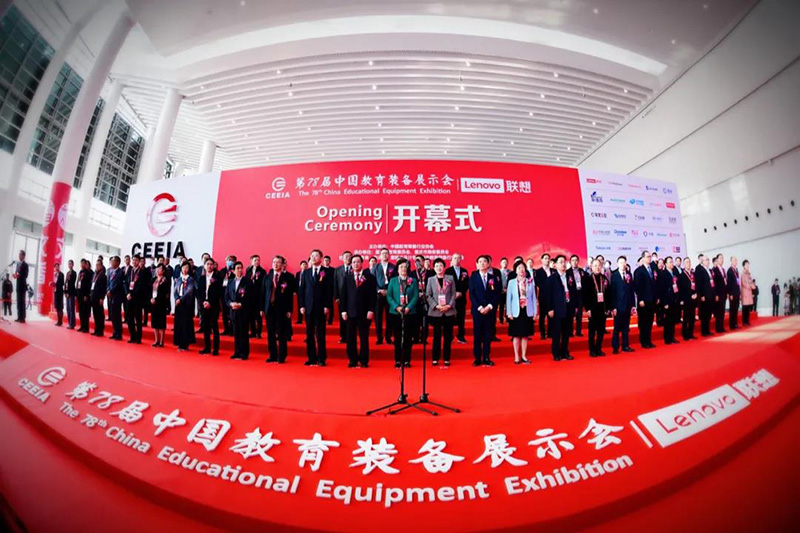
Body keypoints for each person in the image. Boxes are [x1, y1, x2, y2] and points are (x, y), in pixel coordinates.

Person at [340, 254, 376, 368]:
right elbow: (343, 295)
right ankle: (352, 359)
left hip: (364, 312)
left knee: (364, 337)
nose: (356, 264)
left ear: (362, 263)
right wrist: (343, 310)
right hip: (350, 312)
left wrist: (371, 310)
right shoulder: (347, 278)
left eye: (358, 262)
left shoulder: (369, 277)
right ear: (351, 264)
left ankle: (364, 360)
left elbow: (373, 296)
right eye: (354, 262)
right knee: (350, 337)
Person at [298, 249, 333, 366]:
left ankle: (322, 358)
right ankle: (311, 358)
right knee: (309, 334)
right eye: (312, 256)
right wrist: (302, 305)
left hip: (321, 307)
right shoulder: (306, 272)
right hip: (308, 307)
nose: (313, 257)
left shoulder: (326, 272)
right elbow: (302, 290)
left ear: (321, 258)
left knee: (320, 334)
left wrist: (327, 305)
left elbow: (329, 291)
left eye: (316, 256)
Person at [263, 255, 296, 364]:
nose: (276, 264)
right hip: (269, 309)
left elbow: (290, 296)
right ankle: (272, 355)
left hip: (282, 309)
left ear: (282, 264)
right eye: (274, 262)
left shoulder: (288, 278)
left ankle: (282, 356)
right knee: (270, 334)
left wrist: (289, 310)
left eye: (278, 262)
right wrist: (262, 308)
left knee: (281, 333)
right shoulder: (267, 277)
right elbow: (263, 293)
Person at [388, 258, 418, 368]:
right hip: (396, 313)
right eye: (401, 267)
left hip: (409, 313)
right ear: (398, 269)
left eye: (405, 267)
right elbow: (389, 296)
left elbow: (415, 296)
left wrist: (408, 307)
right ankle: (397, 360)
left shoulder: (413, 281)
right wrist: (397, 307)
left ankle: (406, 360)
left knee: (408, 337)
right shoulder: (393, 281)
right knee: (397, 337)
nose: (403, 269)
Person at [426, 257, 456, 366]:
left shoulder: (450, 278)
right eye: (437, 266)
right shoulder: (430, 280)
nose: (439, 268)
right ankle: (435, 358)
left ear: (444, 267)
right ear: (434, 268)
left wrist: (449, 305)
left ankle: (447, 358)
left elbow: (453, 293)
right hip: (436, 312)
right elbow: (428, 295)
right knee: (436, 336)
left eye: (441, 266)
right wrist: (436, 305)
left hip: (448, 311)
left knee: (448, 336)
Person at [506, 261, 536, 364]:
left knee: (525, 335)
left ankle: (524, 355)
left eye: (523, 268)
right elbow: (508, 299)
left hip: (527, 310)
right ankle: (516, 356)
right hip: (516, 311)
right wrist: (509, 312)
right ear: (515, 270)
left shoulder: (530, 281)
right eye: (519, 268)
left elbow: (533, 297)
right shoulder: (511, 282)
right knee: (516, 335)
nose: (521, 270)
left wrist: (535, 312)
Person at [547, 255, 576, 361]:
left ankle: (565, 352)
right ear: (555, 265)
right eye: (561, 262)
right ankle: (556, 353)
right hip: (557, 309)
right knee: (557, 332)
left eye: (564, 262)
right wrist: (550, 309)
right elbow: (548, 296)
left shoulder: (570, 277)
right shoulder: (552, 279)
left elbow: (574, 293)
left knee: (566, 332)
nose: (563, 264)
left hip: (568, 307)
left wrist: (574, 306)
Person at [225, 261, 252, 360]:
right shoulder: (230, 282)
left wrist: (241, 304)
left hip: (243, 311)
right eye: (237, 268)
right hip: (233, 311)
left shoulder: (247, 282)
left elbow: (251, 297)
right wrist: (231, 304)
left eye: (241, 268)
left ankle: (244, 352)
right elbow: (226, 296)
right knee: (236, 333)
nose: (240, 270)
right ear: (233, 271)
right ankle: (237, 352)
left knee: (243, 332)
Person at [583, 258, 609, 356]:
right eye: (595, 266)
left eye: (599, 266)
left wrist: (608, 308)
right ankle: (592, 350)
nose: (597, 267)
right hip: (592, 309)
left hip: (602, 308)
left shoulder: (604, 278)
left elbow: (609, 294)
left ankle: (599, 348)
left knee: (601, 330)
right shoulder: (587, 279)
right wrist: (588, 308)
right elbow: (585, 295)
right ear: (591, 267)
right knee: (592, 331)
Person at [609, 256, 635, 354]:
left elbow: (631, 291)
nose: (623, 264)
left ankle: (625, 346)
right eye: (621, 262)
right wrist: (613, 307)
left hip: (627, 305)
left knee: (626, 327)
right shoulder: (614, 275)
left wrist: (633, 305)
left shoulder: (629, 275)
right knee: (617, 328)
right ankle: (615, 347)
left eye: (624, 262)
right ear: (617, 264)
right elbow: (612, 293)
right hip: (618, 306)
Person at [197, 258, 222, 355]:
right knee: (206, 327)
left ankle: (216, 348)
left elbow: (218, 292)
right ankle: (207, 347)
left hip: (213, 306)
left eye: (211, 264)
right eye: (207, 264)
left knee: (214, 327)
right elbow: (199, 292)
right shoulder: (202, 278)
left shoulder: (217, 277)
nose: (209, 266)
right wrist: (204, 302)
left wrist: (210, 302)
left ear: (214, 266)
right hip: (204, 306)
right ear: (204, 266)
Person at [633, 251, 658, 349]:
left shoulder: (652, 269)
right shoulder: (639, 271)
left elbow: (654, 284)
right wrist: (640, 299)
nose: (649, 258)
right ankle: (644, 342)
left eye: (650, 256)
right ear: (643, 258)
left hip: (652, 300)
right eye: (647, 256)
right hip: (643, 301)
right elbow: (637, 286)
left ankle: (649, 340)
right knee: (643, 322)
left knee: (650, 321)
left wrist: (656, 297)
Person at [445, 253, 469, 344]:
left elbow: (467, 284)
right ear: (451, 260)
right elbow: (446, 284)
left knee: (461, 318)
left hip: (461, 298)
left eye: (458, 258)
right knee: (450, 318)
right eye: (454, 258)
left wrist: (461, 292)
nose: (456, 260)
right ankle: (449, 336)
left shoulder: (464, 271)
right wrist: (454, 293)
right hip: (451, 298)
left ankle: (461, 336)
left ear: (461, 260)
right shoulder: (448, 271)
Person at [373, 248, 395, 345]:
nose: (385, 255)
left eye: (386, 253)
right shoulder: (375, 267)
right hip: (378, 294)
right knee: (378, 317)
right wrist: (379, 290)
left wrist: (388, 291)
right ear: (380, 256)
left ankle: (388, 337)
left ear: (389, 255)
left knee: (389, 317)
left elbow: (395, 281)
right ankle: (379, 338)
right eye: (383, 253)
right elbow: (372, 280)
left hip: (389, 294)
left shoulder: (393, 267)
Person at [125, 255, 149, 344]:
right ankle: (133, 336)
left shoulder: (142, 272)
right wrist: (127, 293)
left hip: (138, 298)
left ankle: (139, 337)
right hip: (129, 298)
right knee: (129, 317)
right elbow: (125, 283)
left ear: (139, 262)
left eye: (136, 260)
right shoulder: (130, 271)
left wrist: (132, 294)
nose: (134, 262)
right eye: (133, 260)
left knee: (138, 319)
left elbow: (142, 286)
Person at [173, 261, 196, 351]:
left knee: (186, 323)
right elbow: (175, 290)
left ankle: (185, 343)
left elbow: (189, 291)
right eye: (183, 268)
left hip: (186, 304)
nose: (185, 269)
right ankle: (179, 342)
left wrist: (181, 299)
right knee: (179, 323)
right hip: (178, 304)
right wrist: (176, 298)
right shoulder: (179, 279)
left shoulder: (191, 279)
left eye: (187, 268)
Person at [656, 257, 680, 345]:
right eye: (670, 262)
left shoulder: (674, 273)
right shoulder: (663, 274)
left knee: (673, 319)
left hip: (674, 299)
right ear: (666, 264)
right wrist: (665, 302)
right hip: (667, 301)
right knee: (667, 320)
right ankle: (667, 338)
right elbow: (661, 290)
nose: (672, 263)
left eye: (672, 262)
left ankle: (672, 337)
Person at [334, 251, 353, 345]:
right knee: (343, 318)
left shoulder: (355, 268)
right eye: (346, 256)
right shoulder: (337, 270)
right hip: (341, 298)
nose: (348, 258)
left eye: (349, 256)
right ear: (342, 258)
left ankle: (351, 337)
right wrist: (336, 296)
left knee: (352, 318)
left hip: (352, 298)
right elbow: (335, 284)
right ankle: (343, 337)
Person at [245, 255, 267, 339]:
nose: (257, 262)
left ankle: (259, 332)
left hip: (258, 295)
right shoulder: (248, 270)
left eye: (258, 260)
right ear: (251, 261)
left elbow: (263, 284)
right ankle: (253, 331)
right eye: (255, 260)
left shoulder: (262, 271)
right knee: (251, 315)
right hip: (250, 296)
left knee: (258, 316)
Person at [695, 255, 716, 337]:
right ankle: (704, 331)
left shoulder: (709, 270)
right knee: (704, 314)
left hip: (710, 294)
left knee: (709, 313)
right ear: (702, 261)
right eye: (706, 260)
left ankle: (707, 330)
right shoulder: (700, 270)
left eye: (708, 259)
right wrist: (702, 295)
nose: (708, 261)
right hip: (705, 295)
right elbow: (699, 284)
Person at [150, 264, 171, 347]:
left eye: (160, 269)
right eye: (157, 269)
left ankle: (162, 341)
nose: (158, 270)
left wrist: (156, 299)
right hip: (154, 303)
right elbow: (150, 290)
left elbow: (164, 293)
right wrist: (151, 298)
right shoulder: (154, 279)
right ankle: (156, 340)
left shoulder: (165, 280)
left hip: (161, 303)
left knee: (161, 323)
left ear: (163, 271)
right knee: (154, 322)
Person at [677, 257, 698, 340]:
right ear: (684, 264)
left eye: (689, 262)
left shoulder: (693, 274)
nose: (688, 264)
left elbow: (696, 285)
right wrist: (687, 297)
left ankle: (691, 333)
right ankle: (685, 335)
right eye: (686, 262)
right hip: (686, 299)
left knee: (692, 317)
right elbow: (681, 289)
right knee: (686, 318)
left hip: (694, 299)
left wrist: (695, 293)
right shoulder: (681, 275)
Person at [534, 253, 553, 340]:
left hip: (552, 297)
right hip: (543, 296)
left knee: (551, 315)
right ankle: (542, 333)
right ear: (541, 260)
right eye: (545, 258)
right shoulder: (538, 272)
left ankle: (550, 332)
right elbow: (538, 283)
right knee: (542, 316)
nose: (547, 260)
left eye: (548, 258)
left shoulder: (553, 271)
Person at [219, 255, 237, 335]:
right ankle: (226, 329)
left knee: (232, 313)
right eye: (228, 260)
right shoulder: (222, 271)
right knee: (224, 313)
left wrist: (232, 273)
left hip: (232, 295)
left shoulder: (235, 271)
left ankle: (232, 330)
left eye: (232, 260)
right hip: (223, 294)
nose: (230, 261)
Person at [711, 254, 728, 333]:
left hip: (724, 293)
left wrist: (727, 292)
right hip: (718, 294)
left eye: (723, 258)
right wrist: (716, 294)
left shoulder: (723, 270)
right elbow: (714, 283)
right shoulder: (714, 270)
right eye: (720, 258)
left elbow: (725, 282)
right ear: (717, 260)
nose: (722, 260)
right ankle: (718, 328)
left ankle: (721, 327)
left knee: (722, 311)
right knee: (718, 311)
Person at [90, 259, 107, 337]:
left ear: (101, 266)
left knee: (100, 314)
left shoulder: (103, 276)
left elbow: (104, 288)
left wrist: (102, 298)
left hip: (99, 297)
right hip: (93, 296)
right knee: (95, 314)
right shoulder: (94, 275)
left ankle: (100, 330)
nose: (97, 266)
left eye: (98, 265)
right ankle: (96, 329)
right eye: (96, 265)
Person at [77, 259, 93, 333]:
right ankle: (82, 326)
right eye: (81, 263)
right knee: (80, 311)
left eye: (83, 263)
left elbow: (88, 285)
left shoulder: (88, 273)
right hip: (79, 294)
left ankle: (86, 327)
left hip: (85, 295)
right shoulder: (80, 272)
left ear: (86, 264)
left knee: (85, 312)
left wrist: (86, 295)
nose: (82, 265)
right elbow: (78, 282)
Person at [12, 250, 28, 323]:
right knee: (18, 301)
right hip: (18, 285)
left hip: (22, 285)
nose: (19, 256)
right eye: (19, 255)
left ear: (23, 256)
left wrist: (19, 275)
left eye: (20, 255)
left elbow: (26, 275)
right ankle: (19, 317)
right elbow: (16, 273)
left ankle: (23, 318)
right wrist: (15, 275)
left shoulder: (25, 265)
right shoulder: (18, 264)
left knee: (22, 302)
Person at [727, 256, 742, 330]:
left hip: (737, 292)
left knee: (736, 309)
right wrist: (730, 294)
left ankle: (735, 323)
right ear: (731, 261)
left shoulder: (736, 270)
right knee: (732, 309)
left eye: (736, 260)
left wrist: (739, 292)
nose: (736, 261)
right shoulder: (729, 271)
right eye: (734, 260)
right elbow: (729, 283)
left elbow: (738, 282)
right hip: (732, 293)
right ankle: (732, 325)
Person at [740, 260, 756, 326]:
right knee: (745, 307)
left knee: (748, 307)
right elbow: (743, 283)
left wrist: (753, 286)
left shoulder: (749, 274)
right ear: (744, 266)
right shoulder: (742, 274)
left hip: (749, 292)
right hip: (745, 292)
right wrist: (749, 286)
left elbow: (751, 281)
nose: (748, 266)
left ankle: (747, 321)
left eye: (748, 264)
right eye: (746, 264)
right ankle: (744, 322)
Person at [51, 262, 65, 326]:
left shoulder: (61, 274)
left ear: (59, 267)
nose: (56, 268)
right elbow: (53, 282)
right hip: (55, 291)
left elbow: (62, 283)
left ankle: (60, 321)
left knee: (60, 307)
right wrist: (52, 284)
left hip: (60, 292)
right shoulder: (54, 274)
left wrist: (55, 284)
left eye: (57, 266)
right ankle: (58, 321)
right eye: (55, 266)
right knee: (57, 307)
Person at [497, 258, 510, 324]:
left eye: (506, 262)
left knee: (508, 306)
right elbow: (497, 282)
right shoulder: (498, 272)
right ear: (501, 263)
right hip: (501, 291)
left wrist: (508, 289)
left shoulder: (510, 272)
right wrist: (501, 289)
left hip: (508, 291)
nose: (505, 263)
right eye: (503, 262)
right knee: (501, 306)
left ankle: (507, 318)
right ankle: (501, 319)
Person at [64, 260, 77, 329]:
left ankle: (72, 324)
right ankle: (69, 323)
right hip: (67, 293)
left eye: (71, 264)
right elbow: (66, 283)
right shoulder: (67, 273)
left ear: (73, 265)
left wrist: (69, 293)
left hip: (71, 293)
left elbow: (72, 283)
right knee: (68, 309)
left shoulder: (74, 273)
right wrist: (65, 292)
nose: (70, 265)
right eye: (69, 264)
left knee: (71, 309)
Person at [295, 260, 307, 325]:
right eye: (303, 264)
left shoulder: (308, 273)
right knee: (299, 305)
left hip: (306, 291)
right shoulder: (298, 273)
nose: (304, 266)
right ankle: (299, 320)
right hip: (299, 291)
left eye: (305, 264)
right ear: (300, 266)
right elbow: (296, 282)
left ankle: (307, 319)